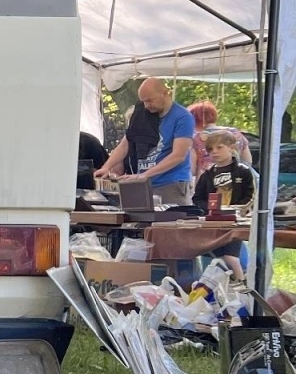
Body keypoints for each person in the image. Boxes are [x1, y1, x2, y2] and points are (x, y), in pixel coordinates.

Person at [93, 77, 196, 206]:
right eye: (143, 101)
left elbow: (178, 155)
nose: (146, 105)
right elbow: (126, 144)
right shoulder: (142, 113)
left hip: (171, 184)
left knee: (170, 221)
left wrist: (145, 175)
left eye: (150, 100)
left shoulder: (182, 117)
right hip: (144, 184)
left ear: (165, 93)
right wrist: (106, 167)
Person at [191, 130, 256, 282]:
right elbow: (197, 197)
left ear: (231, 147)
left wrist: (238, 209)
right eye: (210, 150)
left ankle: (241, 284)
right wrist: (209, 208)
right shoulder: (207, 175)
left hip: (234, 222)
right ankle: (212, 286)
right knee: (213, 258)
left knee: (231, 258)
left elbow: (251, 195)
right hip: (213, 223)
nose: (214, 152)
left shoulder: (244, 171)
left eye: (219, 147)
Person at [188, 99, 253, 175]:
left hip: (207, 182)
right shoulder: (236, 133)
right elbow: (248, 161)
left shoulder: (196, 138)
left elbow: (191, 169)